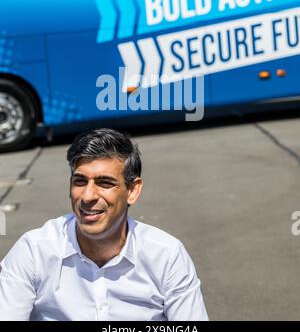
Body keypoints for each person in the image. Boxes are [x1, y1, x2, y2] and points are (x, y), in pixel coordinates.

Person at [0, 128, 208, 321]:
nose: (88, 196)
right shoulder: (34, 251)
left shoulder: (166, 256)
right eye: (80, 181)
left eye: (105, 183)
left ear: (132, 190)